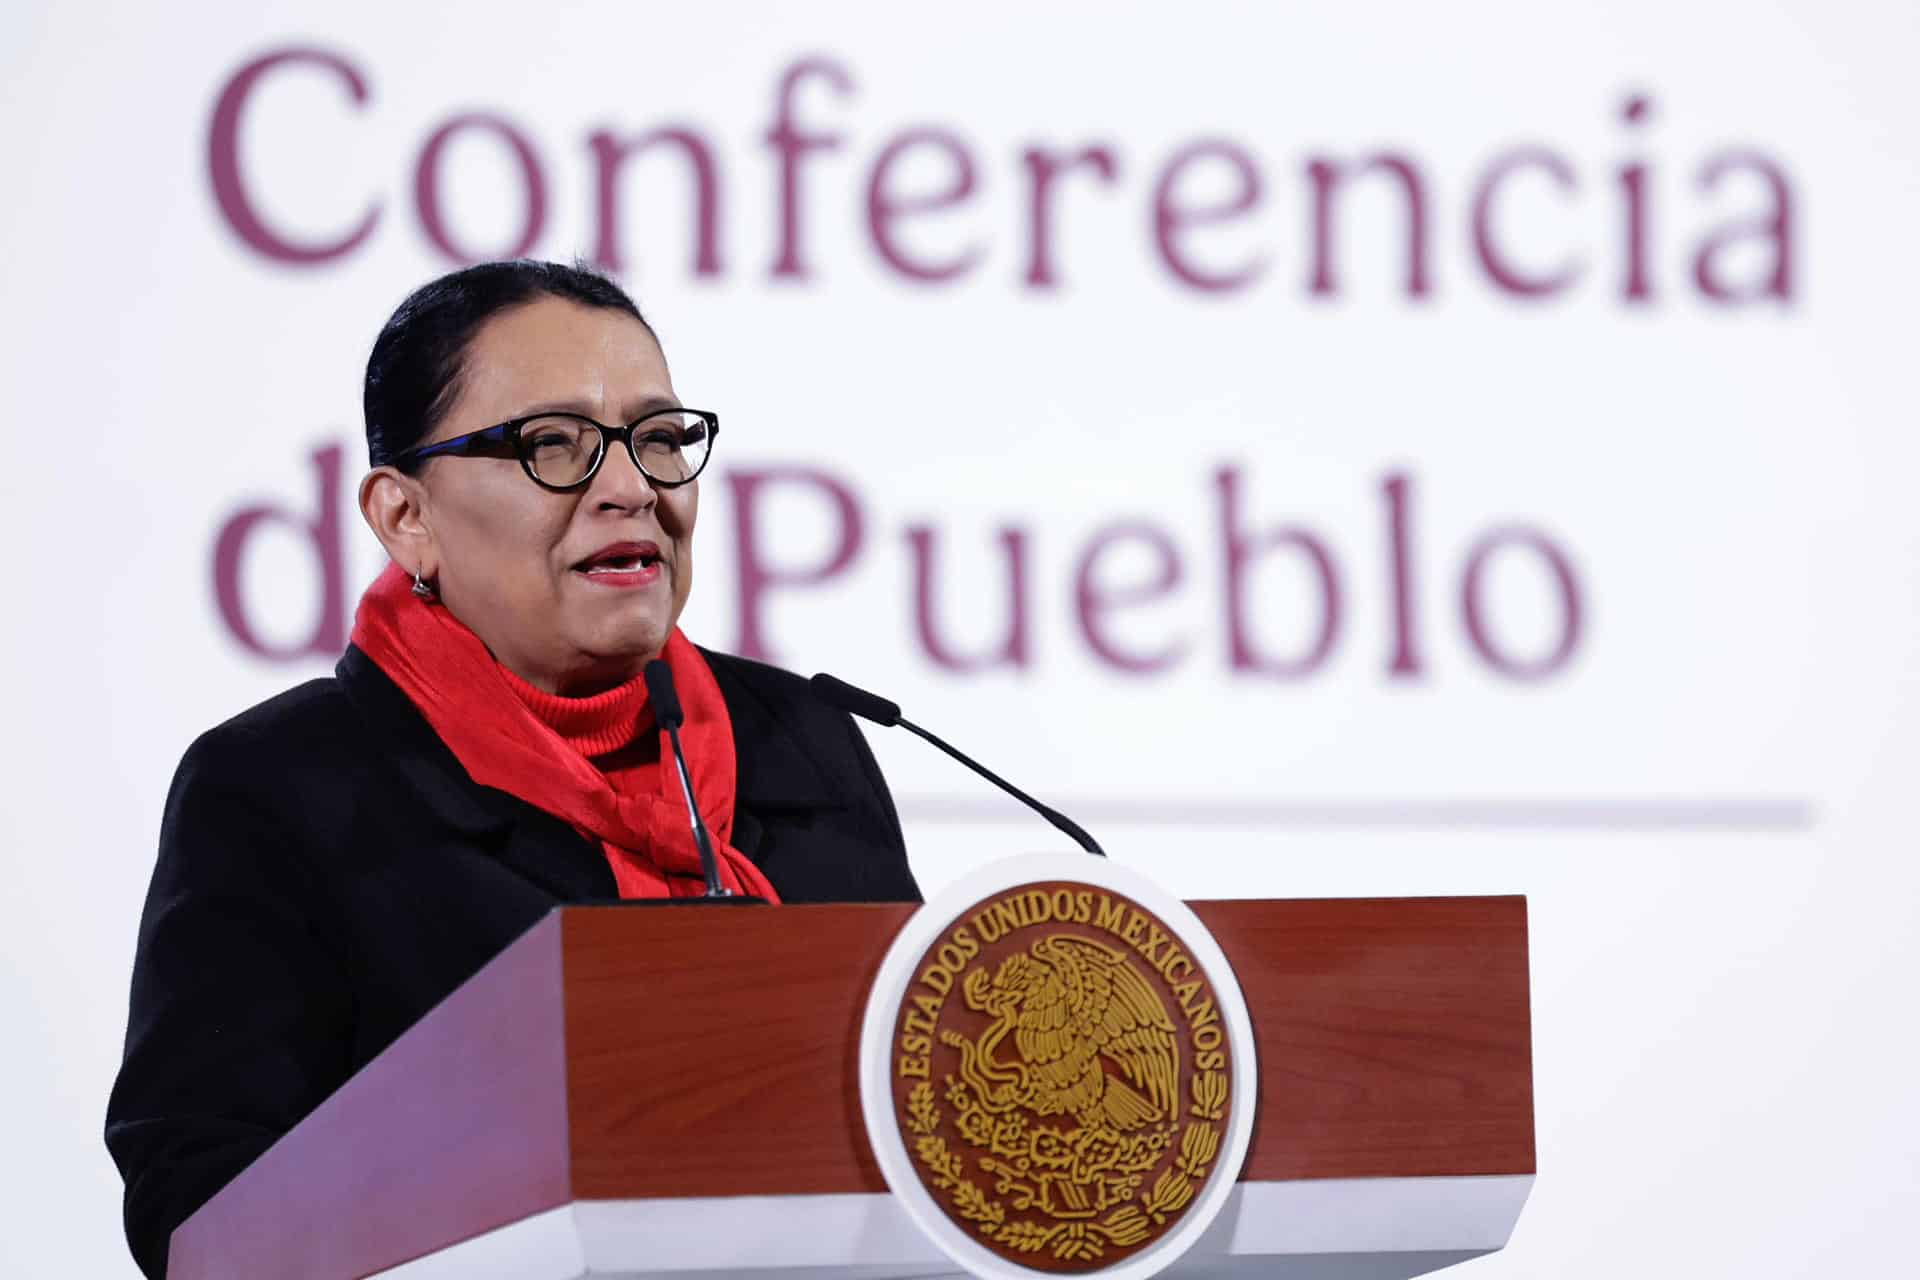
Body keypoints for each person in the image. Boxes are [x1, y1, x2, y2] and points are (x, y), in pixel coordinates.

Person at [104, 260, 920, 1278]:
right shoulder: (283, 787)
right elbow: (200, 1197)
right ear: (407, 516)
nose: (630, 487)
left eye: (660, 440)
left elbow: (921, 1113)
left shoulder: (802, 739)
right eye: (554, 446)